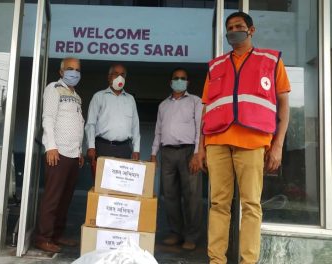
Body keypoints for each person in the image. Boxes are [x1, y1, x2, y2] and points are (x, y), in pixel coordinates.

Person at [196, 12, 290, 264]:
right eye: (230, 27)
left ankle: (248, 261)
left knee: (250, 205)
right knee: (218, 204)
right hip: (217, 141)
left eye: (239, 26)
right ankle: (216, 260)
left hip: (253, 140)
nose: (233, 30)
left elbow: (283, 105)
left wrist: (277, 144)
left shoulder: (270, 60)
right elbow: (206, 109)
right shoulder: (216, 65)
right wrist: (200, 148)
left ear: (251, 30)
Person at [35, 57, 84, 253]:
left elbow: (77, 123)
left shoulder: (77, 95)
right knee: (53, 198)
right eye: (70, 69)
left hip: (73, 154)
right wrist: (51, 147)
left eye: (77, 70)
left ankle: (57, 235)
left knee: (65, 199)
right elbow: (48, 118)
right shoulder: (53, 88)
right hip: (58, 152)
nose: (74, 72)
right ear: (61, 72)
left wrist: (79, 150)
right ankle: (43, 237)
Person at [150, 67, 203, 251]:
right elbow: (158, 130)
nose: (179, 80)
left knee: (192, 196)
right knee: (170, 195)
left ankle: (192, 235)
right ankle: (176, 232)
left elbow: (200, 129)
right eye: (176, 78)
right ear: (170, 81)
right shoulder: (163, 105)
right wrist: (153, 154)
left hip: (189, 152)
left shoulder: (196, 101)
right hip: (167, 153)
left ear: (188, 82)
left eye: (183, 78)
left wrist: (197, 153)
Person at [85, 63, 140, 182]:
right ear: (109, 77)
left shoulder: (130, 99)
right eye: (116, 74)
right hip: (103, 147)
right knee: (102, 184)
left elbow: (135, 125)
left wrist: (136, 149)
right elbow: (91, 124)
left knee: (121, 185)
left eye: (122, 75)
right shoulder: (99, 96)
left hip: (125, 148)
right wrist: (91, 146)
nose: (119, 77)